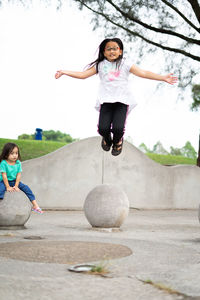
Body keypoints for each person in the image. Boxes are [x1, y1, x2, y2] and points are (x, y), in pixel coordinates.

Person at [55, 38, 177, 156]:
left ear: (120, 51)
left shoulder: (125, 64)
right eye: (108, 49)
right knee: (102, 129)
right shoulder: (100, 65)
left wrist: (163, 77)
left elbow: (144, 73)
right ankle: (107, 140)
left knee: (118, 128)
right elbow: (83, 75)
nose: (112, 51)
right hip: (106, 101)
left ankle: (118, 141)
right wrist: (65, 72)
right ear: (104, 52)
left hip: (122, 101)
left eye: (115, 49)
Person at [0, 143, 43, 214]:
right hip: (4, 181)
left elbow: (18, 175)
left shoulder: (18, 163)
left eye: (16, 153)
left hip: (14, 181)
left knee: (27, 189)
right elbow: (4, 175)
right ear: (6, 154)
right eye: (12, 153)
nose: (15, 155)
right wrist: (7, 187)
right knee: (0, 190)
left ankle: (35, 206)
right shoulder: (3, 163)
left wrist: (16, 186)